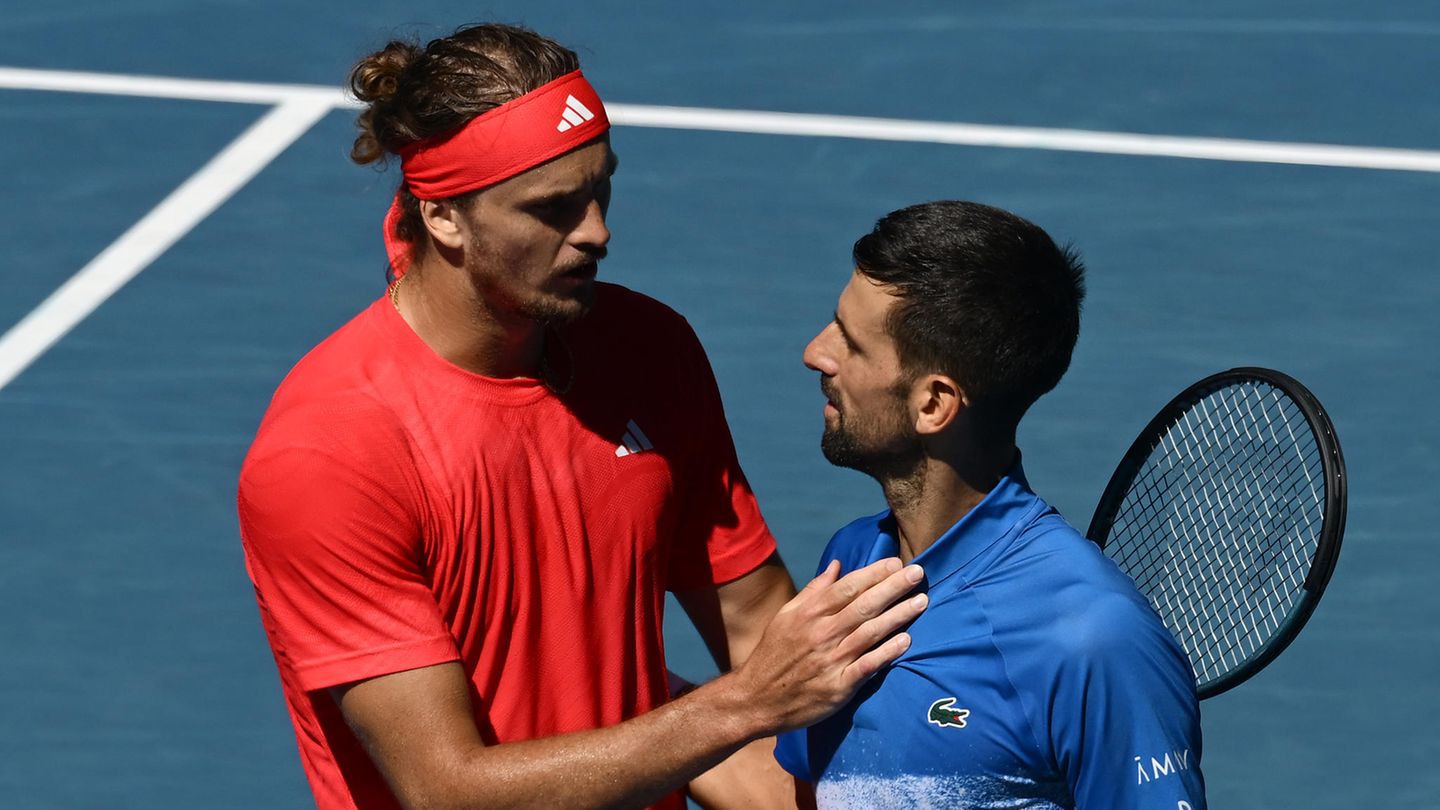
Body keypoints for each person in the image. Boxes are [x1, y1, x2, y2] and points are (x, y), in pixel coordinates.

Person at [236, 23, 927, 810]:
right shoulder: (331, 453)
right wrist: (743, 705)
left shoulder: (647, 348)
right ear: (444, 218)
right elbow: (446, 791)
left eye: (601, 188)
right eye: (553, 208)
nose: (596, 231)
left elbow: (757, 628)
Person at [775, 201, 1206, 809]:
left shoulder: (1093, 642)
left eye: (850, 341)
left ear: (934, 404)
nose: (816, 353)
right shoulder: (849, 564)